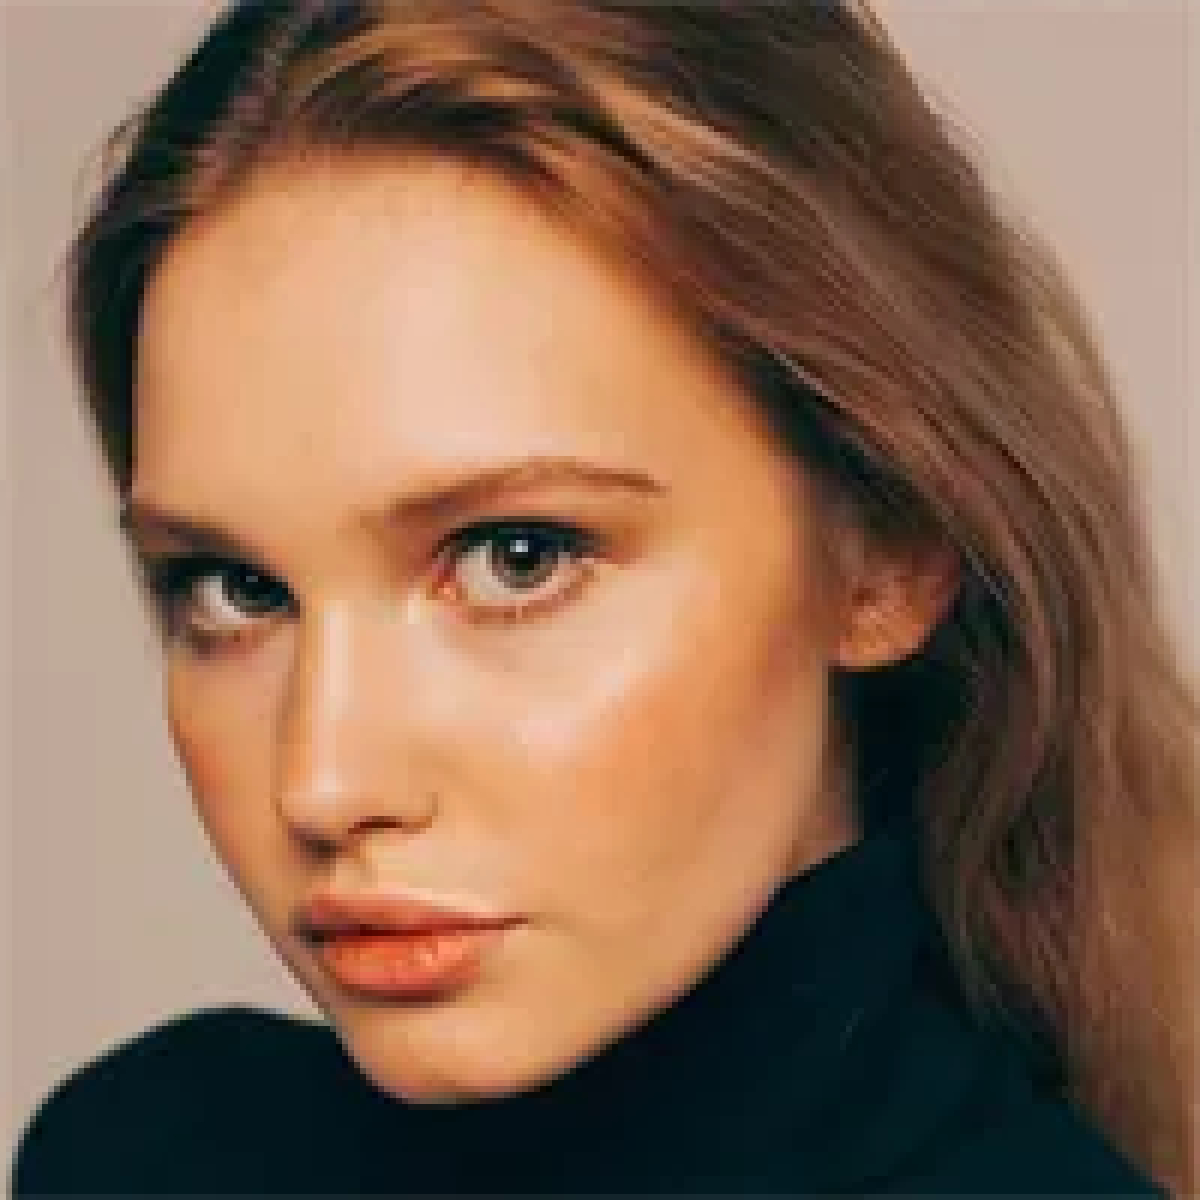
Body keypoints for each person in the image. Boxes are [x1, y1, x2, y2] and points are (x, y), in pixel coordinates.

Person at [10, 0, 1197, 1194]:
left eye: (517, 557)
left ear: (887, 553)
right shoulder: (142, 1160)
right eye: (236, 589)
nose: (322, 783)